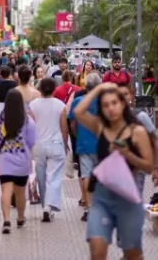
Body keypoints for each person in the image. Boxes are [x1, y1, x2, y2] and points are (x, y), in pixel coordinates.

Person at [74, 82, 154, 260]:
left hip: (128, 198)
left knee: (132, 253)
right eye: (105, 105)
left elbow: (148, 166)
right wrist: (97, 89)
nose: (110, 108)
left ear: (123, 104)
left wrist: (128, 155)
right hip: (102, 198)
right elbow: (78, 112)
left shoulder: (137, 131)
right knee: (97, 250)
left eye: (114, 103)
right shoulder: (100, 127)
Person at [0, 89, 37, 234]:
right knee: (20, 193)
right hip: (22, 161)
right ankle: (20, 217)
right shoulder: (27, 120)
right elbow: (32, 141)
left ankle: (6, 221)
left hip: (4, 161)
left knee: (6, 191)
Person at [30, 77, 69, 222]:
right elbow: (64, 128)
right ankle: (49, 206)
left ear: (40, 88)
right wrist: (65, 144)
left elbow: (30, 126)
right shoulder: (60, 105)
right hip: (56, 143)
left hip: (38, 144)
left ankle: (44, 203)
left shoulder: (33, 105)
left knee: (41, 176)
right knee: (54, 176)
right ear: (54, 89)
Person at [67, 73, 102, 222]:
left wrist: (77, 135)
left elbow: (72, 124)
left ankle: (89, 209)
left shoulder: (77, 102)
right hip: (102, 145)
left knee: (86, 175)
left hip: (84, 143)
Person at [119, 84, 158, 187]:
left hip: (137, 170)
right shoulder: (112, 117)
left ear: (132, 96)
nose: (123, 97)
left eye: (126, 94)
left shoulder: (141, 116)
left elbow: (154, 142)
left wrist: (156, 168)